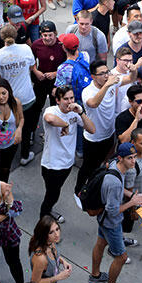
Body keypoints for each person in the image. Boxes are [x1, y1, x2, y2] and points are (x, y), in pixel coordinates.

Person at [89, 142, 142, 283]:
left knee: (100, 244)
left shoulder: (115, 167)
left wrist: (131, 196)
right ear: (121, 158)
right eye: (130, 158)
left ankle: (95, 275)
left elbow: (118, 189)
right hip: (111, 223)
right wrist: (133, 202)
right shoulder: (114, 182)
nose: (134, 161)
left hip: (103, 220)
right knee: (121, 258)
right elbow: (113, 210)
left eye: (135, 157)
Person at [74, 59, 138, 195]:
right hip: (93, 138)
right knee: (87, 167)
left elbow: (131, 78)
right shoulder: (88, 91)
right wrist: (107, 85)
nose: (106, 76)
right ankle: (79, 190)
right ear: (93, 76)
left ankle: (95, 186)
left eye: (107, 72)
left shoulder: (111, 83)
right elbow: (93, 104)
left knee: (103, 163)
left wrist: (133, 70)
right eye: (102, 74)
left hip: (109, 134)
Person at [39, 85, 95, 222]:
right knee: (51, 195)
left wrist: (81, 113)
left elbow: (92, 129)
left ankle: (48, 212)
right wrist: (65, 124)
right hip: (52, 164)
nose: (70, 102)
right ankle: (44, 222)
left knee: (54, 192)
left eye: (72, 98)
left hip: (67, 163)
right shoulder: (51, 110)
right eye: (66, 99)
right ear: (58, 100)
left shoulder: (75, 113)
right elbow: (50, 119)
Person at [30, 215, 72, 283]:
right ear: (44, 235)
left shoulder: (50, 242)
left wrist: (63, 261)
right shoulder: (40, 259)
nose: (57, 234)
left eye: (57, 229)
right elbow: (35, 282)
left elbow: (54, 255)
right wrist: (58, 277)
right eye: (51, 232)